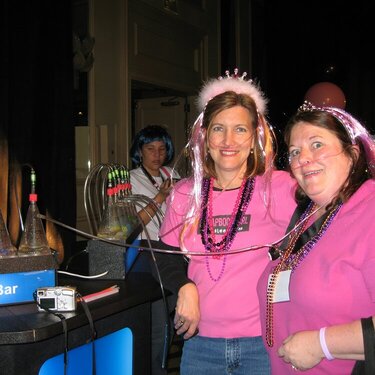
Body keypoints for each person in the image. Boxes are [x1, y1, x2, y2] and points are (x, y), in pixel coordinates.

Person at [153, 69, 297, 374]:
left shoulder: (280, 188)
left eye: (240, 129)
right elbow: (164, 256)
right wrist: (184, 287)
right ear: (205, 137)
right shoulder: (183, 193)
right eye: (219, 128)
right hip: (200, 344)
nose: (228, 141)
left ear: (254, 137)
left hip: (265, 343)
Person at [257, 101, 375, 374]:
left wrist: (321, 344)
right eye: (295, 151)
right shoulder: (307, 214)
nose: (303, 158)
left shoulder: (369, 209)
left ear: (353, 154)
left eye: (317, 144)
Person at [129, 124, 180, 375]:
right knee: (159, 323)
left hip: (174, 251)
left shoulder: (172, 173)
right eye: (150, 149)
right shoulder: (131, 179)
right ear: (140, 151)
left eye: (161, 149)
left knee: (173, 318)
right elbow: (132, 225)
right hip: (147, 253)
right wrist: (160, 197)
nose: (157, 154)